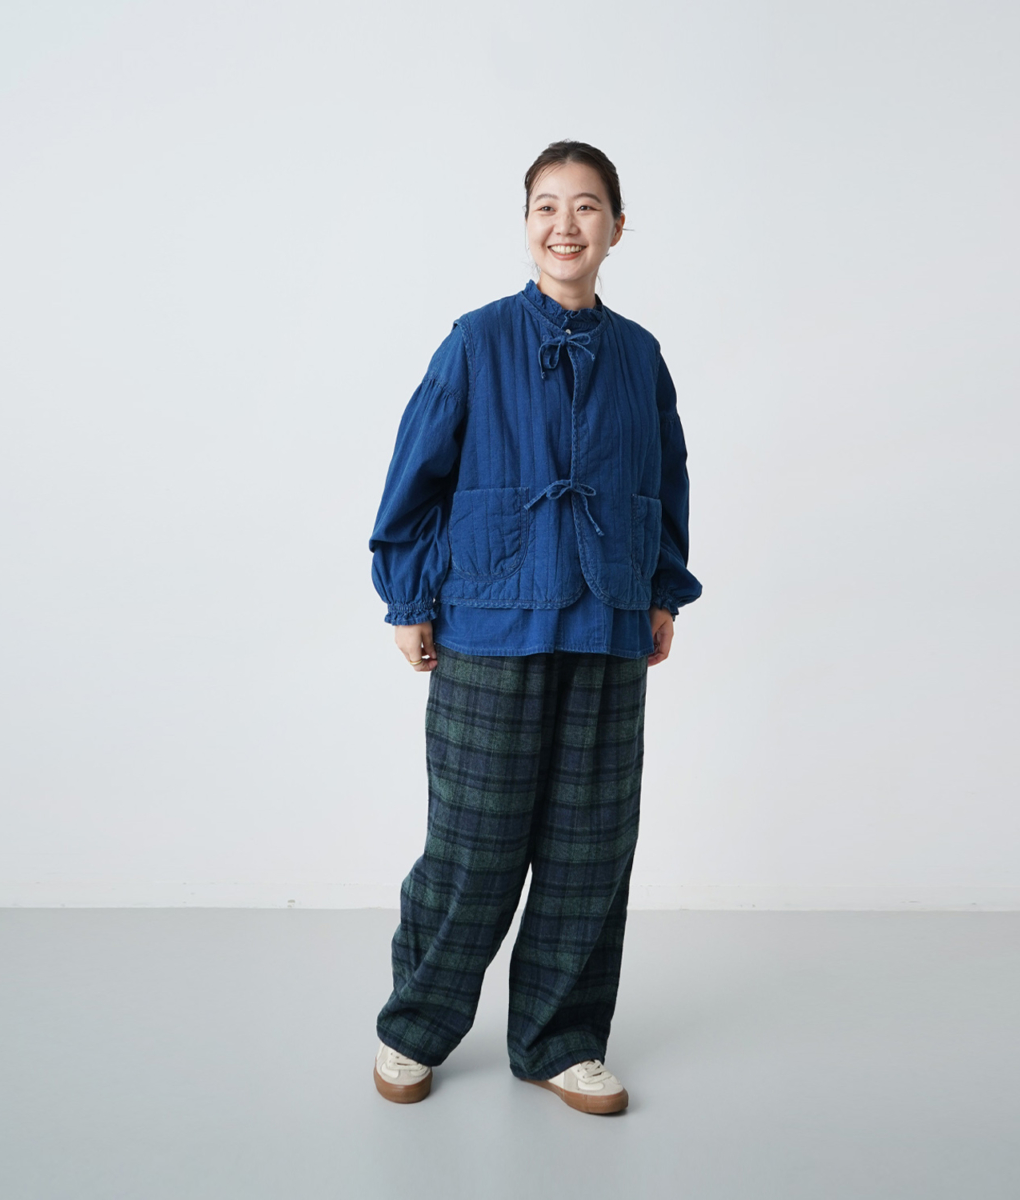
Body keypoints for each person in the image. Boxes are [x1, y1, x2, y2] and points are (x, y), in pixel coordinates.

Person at [367, 140, 702, 1115]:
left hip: (606, 614)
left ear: (616, 228)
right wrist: (410, 598)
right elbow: (415, 475)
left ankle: (561, 1040)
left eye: (587, 206)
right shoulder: (476, 341)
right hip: (490, 616)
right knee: (472, 844)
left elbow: (666, 475)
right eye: (547, 205)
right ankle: (414, 1028)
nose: (566, 224)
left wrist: (660, 589)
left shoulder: (640, 355)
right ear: (526, 225)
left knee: (590, 845)